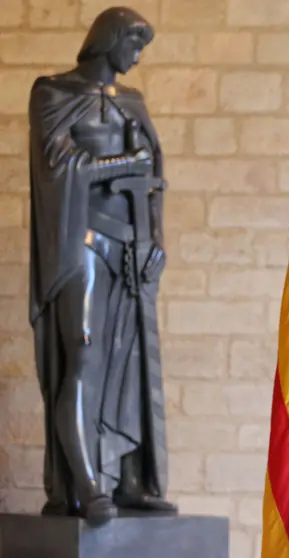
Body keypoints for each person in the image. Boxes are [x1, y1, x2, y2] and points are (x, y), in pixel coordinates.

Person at [28, 6, 175, 524]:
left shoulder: (133, 102)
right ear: (108, 40)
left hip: (130, 247)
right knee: (84, 355)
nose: (136, 57)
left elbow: (153, 176)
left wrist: (157, 238)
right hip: (81, 244)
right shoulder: (53, 94)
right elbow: (57, 165)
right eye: (132, 45)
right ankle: (85, 485)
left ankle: (130, 478)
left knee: (128, 365)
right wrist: (118, 165)